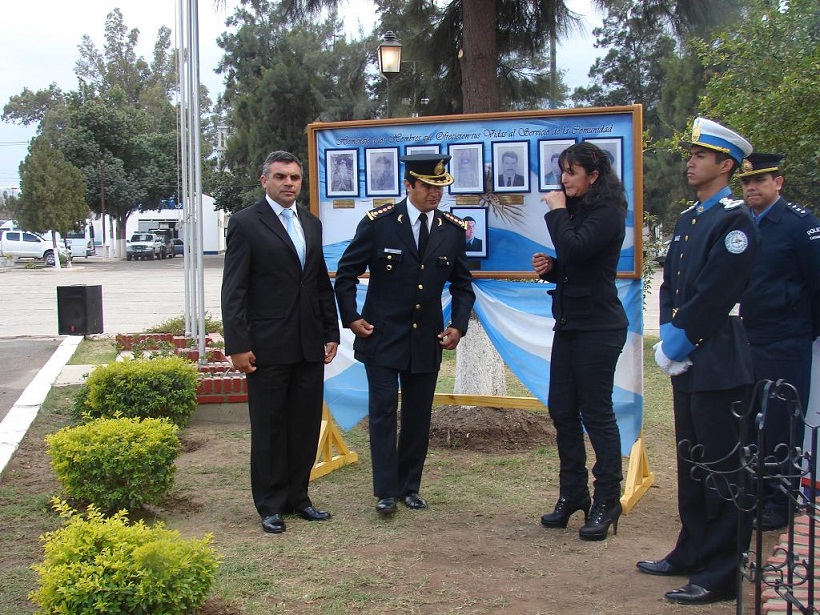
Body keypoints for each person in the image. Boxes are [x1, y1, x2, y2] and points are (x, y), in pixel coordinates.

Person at [636, 117, 758, 605]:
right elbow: (672, 285)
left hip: (719, 358)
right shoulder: (691, 218)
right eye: (690, 154)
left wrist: (679, 343)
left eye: (701, 155)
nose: (690, 162)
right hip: (688, 358)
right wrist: (669, 335)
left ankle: (723, 570)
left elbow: (715, 293)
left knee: (723, 468)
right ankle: (692, 549)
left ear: (725, 165)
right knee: (692, 461)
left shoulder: (734, 219)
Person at [334, 154, 476, 515]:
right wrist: (351, 318)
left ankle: (409, 487)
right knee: (383, 412)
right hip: (381, 335)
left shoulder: (451, 229)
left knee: (417, 415)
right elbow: (346, 274)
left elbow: (463, 285)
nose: (435, 194)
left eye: (440, 187)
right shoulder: (379, 224)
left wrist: (458, 325)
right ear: (408, 185)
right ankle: (385, 491)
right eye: (427, 186)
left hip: (426, 338)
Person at [221, 150, 340, 535]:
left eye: (294, 177)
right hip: (267, 347)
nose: (289, 183)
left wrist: (331, 331)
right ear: (264, 181)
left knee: (304, 425)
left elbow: (318, 281)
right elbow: (234, 290)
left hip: (308, 344)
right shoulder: (245, 224)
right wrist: (237, 345)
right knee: (270, 427)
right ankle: (270, 504)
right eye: (280, 177)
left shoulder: (311, 223)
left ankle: (298, 498)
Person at [531, 141, 628, 542]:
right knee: (563, 411)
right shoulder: (579, 211)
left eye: (571, 172)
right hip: (571, 324)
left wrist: (556, 212)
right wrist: (552, 269)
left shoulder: (608, 212)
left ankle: (608, 498)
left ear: (594, 176)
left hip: (599, 328)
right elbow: (575, 263)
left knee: (597, 413)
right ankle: (573, 493)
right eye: (563, 171)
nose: (564, 179)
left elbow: (577, 248)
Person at [738, 152, 820, 531]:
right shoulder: (742, 222)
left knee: (782, 423)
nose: (752, 187)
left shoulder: (799, 225)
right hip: (749, 337)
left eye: (760, 180)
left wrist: (802, 330)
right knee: (750, 421)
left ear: (778, 183)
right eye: (747, 182)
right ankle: (753, 493)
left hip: (787, 340)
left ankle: (780, 502)